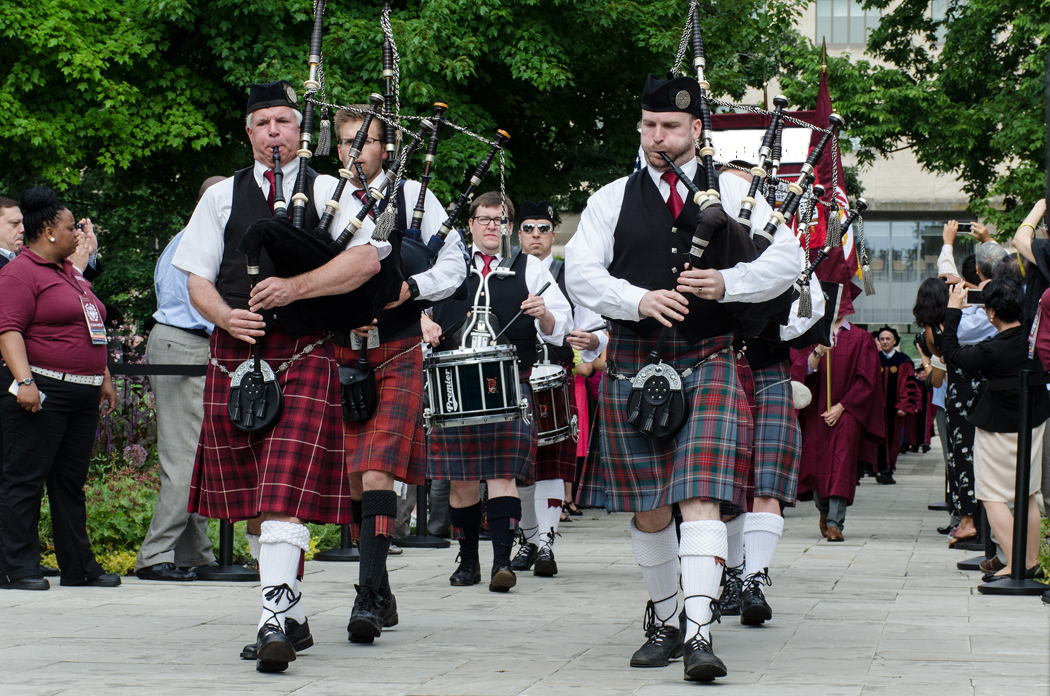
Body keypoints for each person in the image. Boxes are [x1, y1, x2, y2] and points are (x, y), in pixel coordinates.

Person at [565, 73, 801, 682]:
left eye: (670, 126)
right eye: (648, 126)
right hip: (633, 362)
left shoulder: (734, 192)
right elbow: (582, 274)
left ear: (697, 129)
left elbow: (788, 258)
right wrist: (638, 300)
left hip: (710, 355)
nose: (657, 137)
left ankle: (698, 633)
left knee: (699, 496)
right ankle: (666, 618)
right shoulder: (611, 198)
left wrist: (730, 282)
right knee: (648, 507)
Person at [173, 81, 388, 673]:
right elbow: (194, 274)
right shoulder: (220, 198)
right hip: (237, 354)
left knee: (280, 491)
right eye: (263, 122)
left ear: (301, 131)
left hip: (304, 348)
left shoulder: (328, 189)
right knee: (254, 499)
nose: (274, 132)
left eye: (284, 122)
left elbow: (368, 257)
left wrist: (297, 287)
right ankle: (290, 613)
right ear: (249, 131)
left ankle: (271, 620)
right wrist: (224, 315)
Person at [329, 106, 468, 643]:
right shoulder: (327, 200)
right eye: (345, 142)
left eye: (364, 142)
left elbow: (453, 265)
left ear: (386, 148)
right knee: (355, 475)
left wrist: (412, 289)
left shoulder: (417, 198)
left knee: (378, 466)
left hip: (398, 345)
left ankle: (365, 596)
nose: (354, 151)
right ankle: (381, 583)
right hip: (341, 347)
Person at [428, 192, 571, 594]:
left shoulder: (531, 268)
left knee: (502, 474)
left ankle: (502, 563)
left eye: (500, 219)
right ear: (471, 224)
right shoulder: (448, 267)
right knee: (461, 481)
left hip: (509, 383)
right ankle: (469, 562)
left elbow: (562, 324)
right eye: (484, 218)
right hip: (454, 386)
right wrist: (423, 321)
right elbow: (416, 304)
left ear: (509, 227)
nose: (492, 225)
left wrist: (544, 313)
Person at [0, 186, 119, 591]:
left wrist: (101, 375)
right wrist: (26, 381)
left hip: (82, 393)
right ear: (49, 231)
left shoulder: (70, 275)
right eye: (72, 228)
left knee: (69, 484)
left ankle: (78, 566)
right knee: (25, 480)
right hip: (43, 389)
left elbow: (90, 328)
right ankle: (19, 567)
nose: (78, 235)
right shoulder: (20, 272)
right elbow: (8, 330)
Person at [134, 177, 226, 583]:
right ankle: (155, 554)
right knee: (186, 455)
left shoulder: (186, 238)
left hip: (181, 343)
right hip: (185, 345)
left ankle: (195, 553)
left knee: (194, 453)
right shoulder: (199, 241)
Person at [511, 200, 606, 577]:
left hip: (555, 374)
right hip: (514, 376)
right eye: (528, 227)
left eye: (543, 228)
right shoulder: (506, 273)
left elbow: (596, 331)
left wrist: (589, 341)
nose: (536, 234)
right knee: (520, 464)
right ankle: (528, 540)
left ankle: (546, 543)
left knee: (550, 463)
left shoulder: (572, 276)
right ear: (519, 234)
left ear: (553, 234)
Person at [942, 278, 1049, 579]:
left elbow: (950, 354)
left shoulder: (991, 351)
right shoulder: (1031, 338)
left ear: (991, 313)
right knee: (1027, 493)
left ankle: (1016, 564)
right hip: (1034, 423)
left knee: (991, 494)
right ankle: (1030, 561)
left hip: (999, 428)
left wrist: (953, 311)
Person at [790, 285, 884, 543]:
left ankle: (835, 523)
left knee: (842, 465)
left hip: (848, 412)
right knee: (816, 462)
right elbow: (801, 373)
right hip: (816, 411)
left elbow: (867, 381)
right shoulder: (812, 336)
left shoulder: (862, 339)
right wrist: (818, 352)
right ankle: (823, 511)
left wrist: (842, 407)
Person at [872, 326, 916, 485]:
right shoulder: (873, 359)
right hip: (876, 409)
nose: (884, 342)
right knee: (876, 438)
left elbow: (908, 385)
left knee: (893, 439)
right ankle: (878, 468)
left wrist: (904, 405)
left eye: (888, 339)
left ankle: (887, 470)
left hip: (895, 410)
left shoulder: (904, 361)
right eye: (882, 339)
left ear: (895, 341)